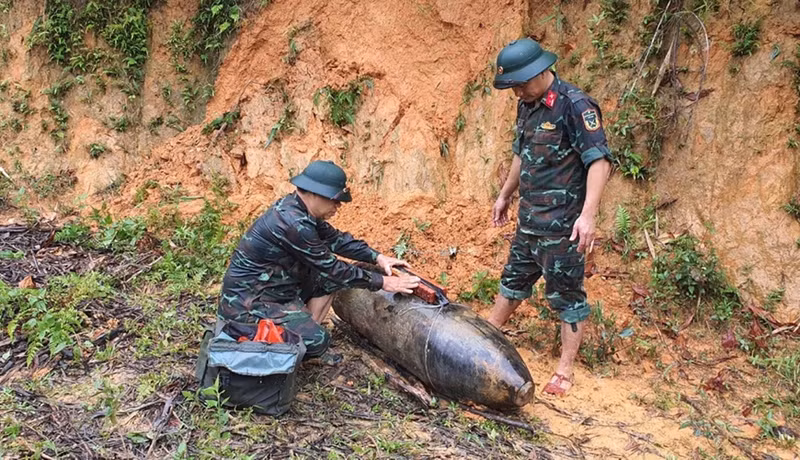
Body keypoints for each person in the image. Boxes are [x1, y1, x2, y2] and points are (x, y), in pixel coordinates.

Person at [488, 38, 613, 396]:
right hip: (529, 221)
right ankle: (488, 335)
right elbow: (520, 154)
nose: (517, 92)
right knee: (512, 281)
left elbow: (599, 161)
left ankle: (564, 370)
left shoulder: (576, 106)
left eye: (521, 84)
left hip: (563, 229)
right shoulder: (526, 105)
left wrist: (588, 217)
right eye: (512, 86)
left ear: (541, 71)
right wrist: (505, 194)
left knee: (567, 297)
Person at [217, 160, 420, 362]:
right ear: (315, 193)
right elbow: (332, 267)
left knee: (328, 284)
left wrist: (377, 257)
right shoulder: (293, 223)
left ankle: (303, 326)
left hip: (274, 288)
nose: (338, 206)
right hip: (248, 305)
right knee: (317, 341)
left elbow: (336, 240)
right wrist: (385, 282)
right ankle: (283, 341)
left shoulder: (300, 210)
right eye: (334, 200)